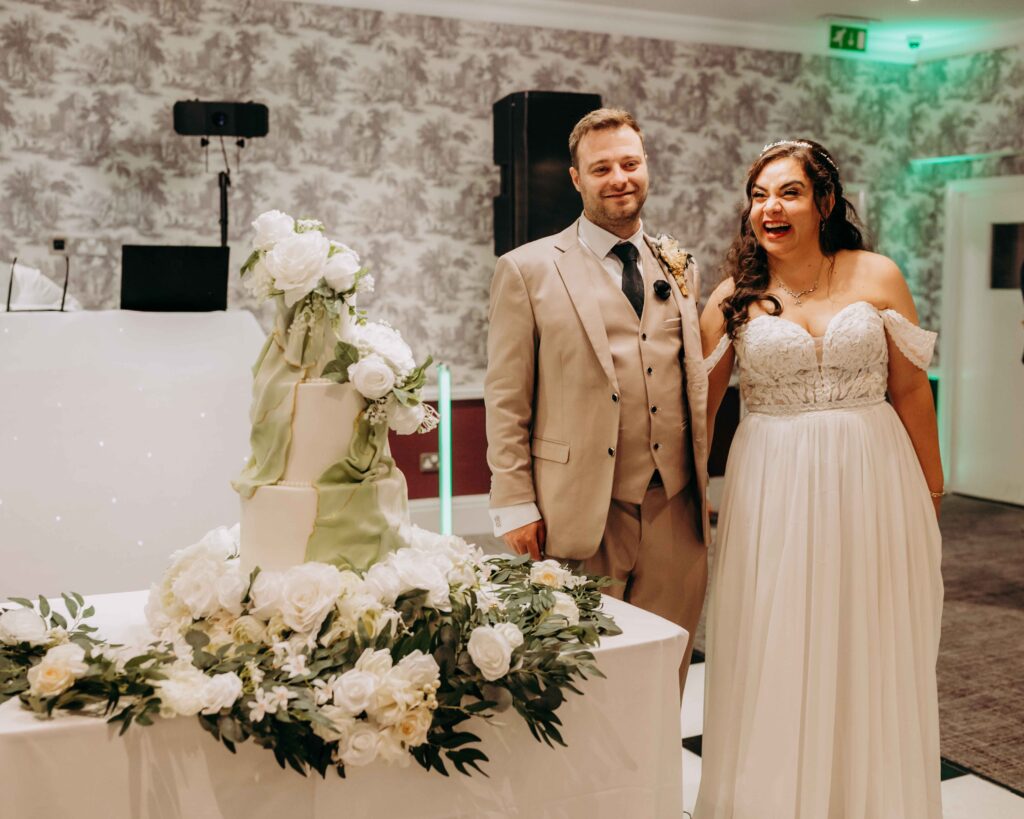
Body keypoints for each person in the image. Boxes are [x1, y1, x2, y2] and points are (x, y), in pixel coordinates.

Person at [694, 139, 944, 818]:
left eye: (789, 193)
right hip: (771, 482)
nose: (769, 208)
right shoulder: (732, 298)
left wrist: (931, 491)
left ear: (825, 202)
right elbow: (701, 412)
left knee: (868, 634)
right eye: (758, 195)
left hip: (874, 476)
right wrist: (695, 500)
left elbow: (911, 391)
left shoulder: (877, 275)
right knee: (778, 636)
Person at [483, 108, 710, 693]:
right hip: (579, 508)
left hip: (675, 509)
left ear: (646, 166)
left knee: (663, 675)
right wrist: (514, 503)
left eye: (630, 163)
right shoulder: (526, 270)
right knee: (582, 677)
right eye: (601, 167)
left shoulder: (680, 266)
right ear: (576, 178)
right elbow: (506, 396)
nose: (619, 178)